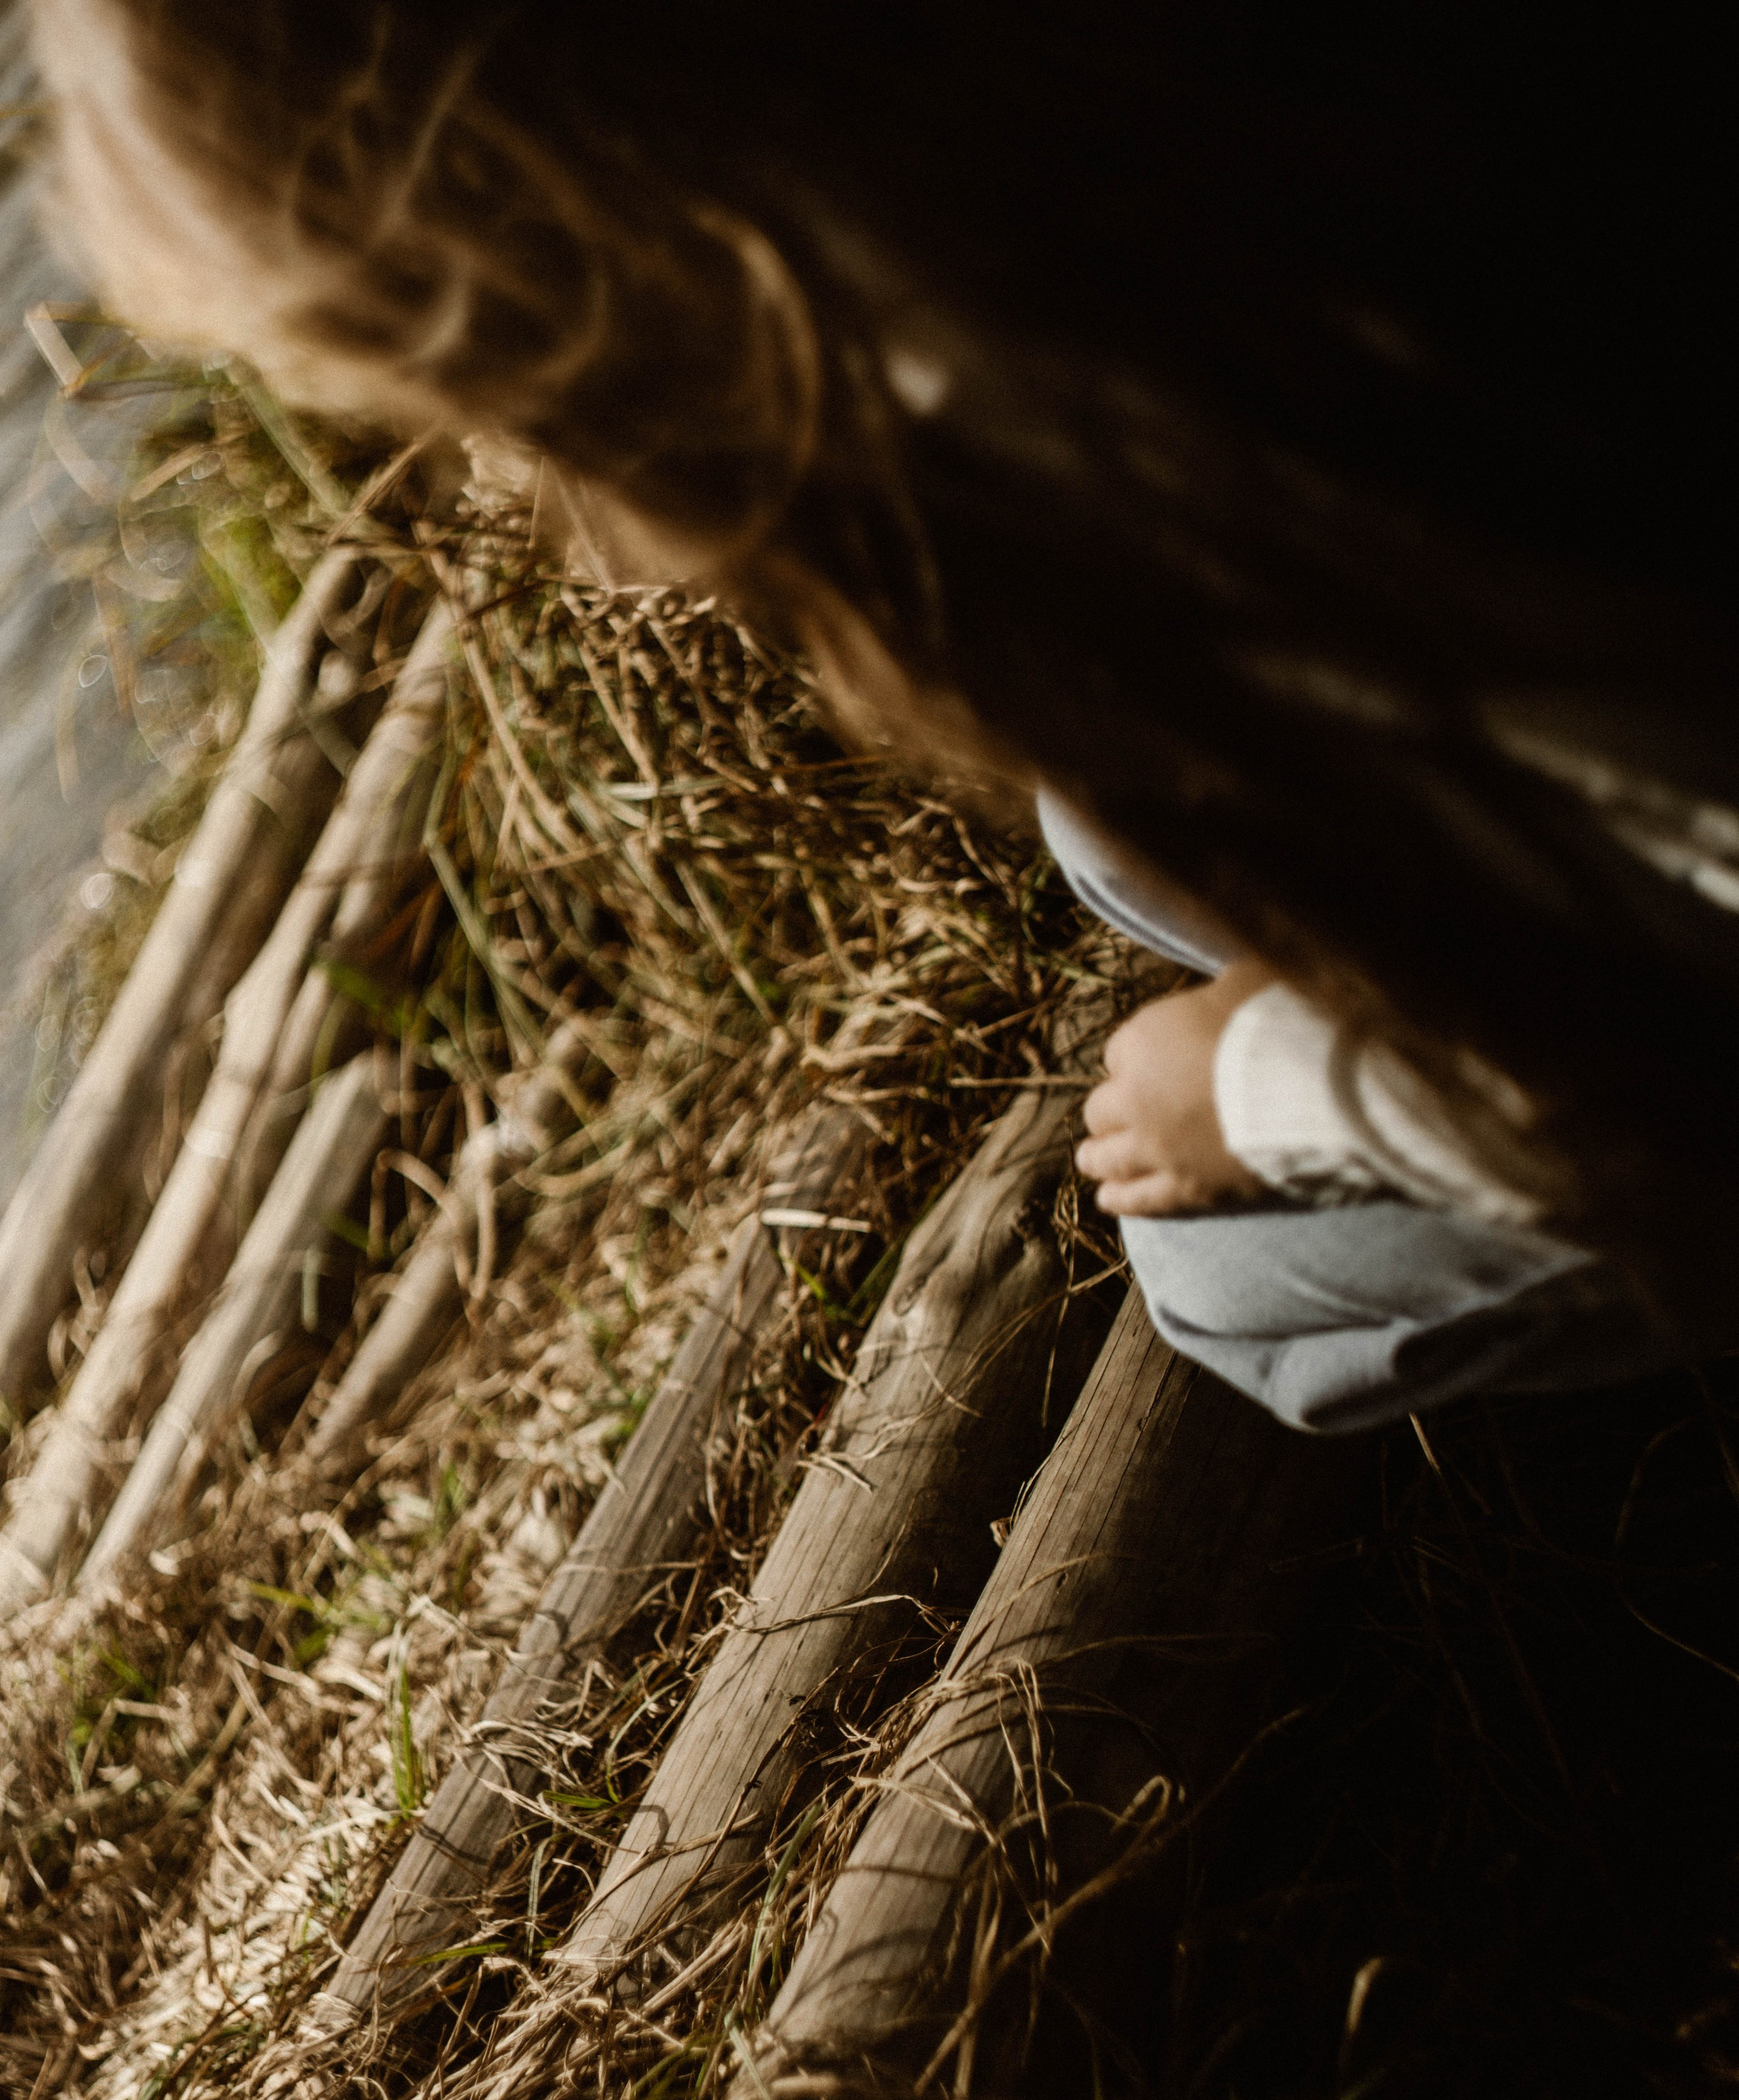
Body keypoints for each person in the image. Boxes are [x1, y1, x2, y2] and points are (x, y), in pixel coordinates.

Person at [28, 0, 1739, 1428]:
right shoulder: (1119, 153)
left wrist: (1265, 1088)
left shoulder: (1175, 472)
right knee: (1117, 846)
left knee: (1221, 1279)